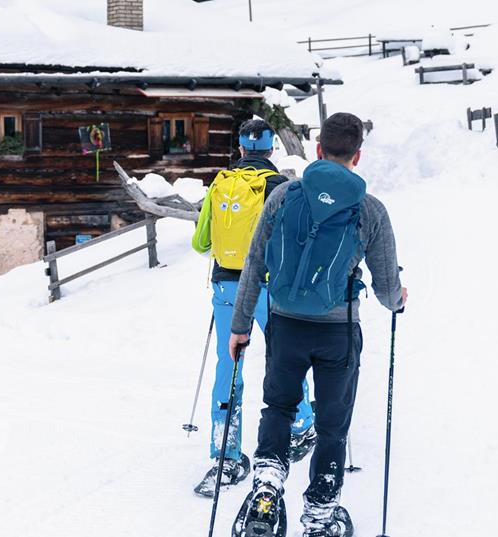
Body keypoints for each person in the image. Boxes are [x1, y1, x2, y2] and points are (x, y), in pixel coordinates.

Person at [228, 113, 407, 536]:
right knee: (331, 425)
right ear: (357, 156)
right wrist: (398, 299)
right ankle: (321, 516)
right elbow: (386, 290)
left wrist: (240, 326)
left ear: (318, 150)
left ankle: (267, 488)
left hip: (285, 325)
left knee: (279, 407)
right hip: (338, 332)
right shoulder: (370, 210)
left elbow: (255, 262)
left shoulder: (285, 196)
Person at [190, 119, 317, 498]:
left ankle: (226, 455)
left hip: (227, 285)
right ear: (271, 150)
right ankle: (300, 425)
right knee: (286, 358)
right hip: (270, 286)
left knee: (229, 367)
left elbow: (200, 243)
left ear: (241, 149)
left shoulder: (221, 183)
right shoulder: (281, 186)